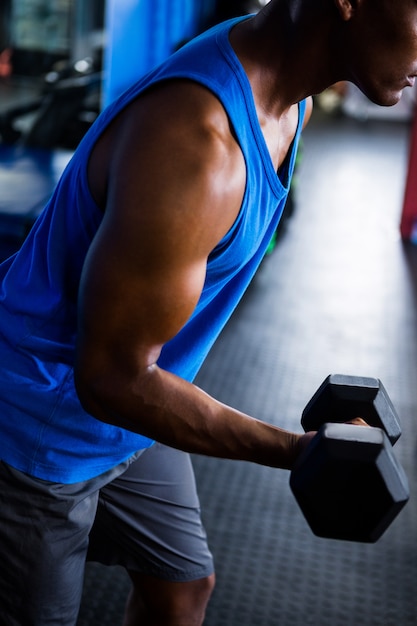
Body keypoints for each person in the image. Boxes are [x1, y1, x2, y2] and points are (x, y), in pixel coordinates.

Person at [0, 0, 415, 624]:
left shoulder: (288, 95)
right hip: (40, 430)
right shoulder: (198, 146)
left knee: (182, 587)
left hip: (125, 406)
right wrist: (296, 451)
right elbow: (111, 378)